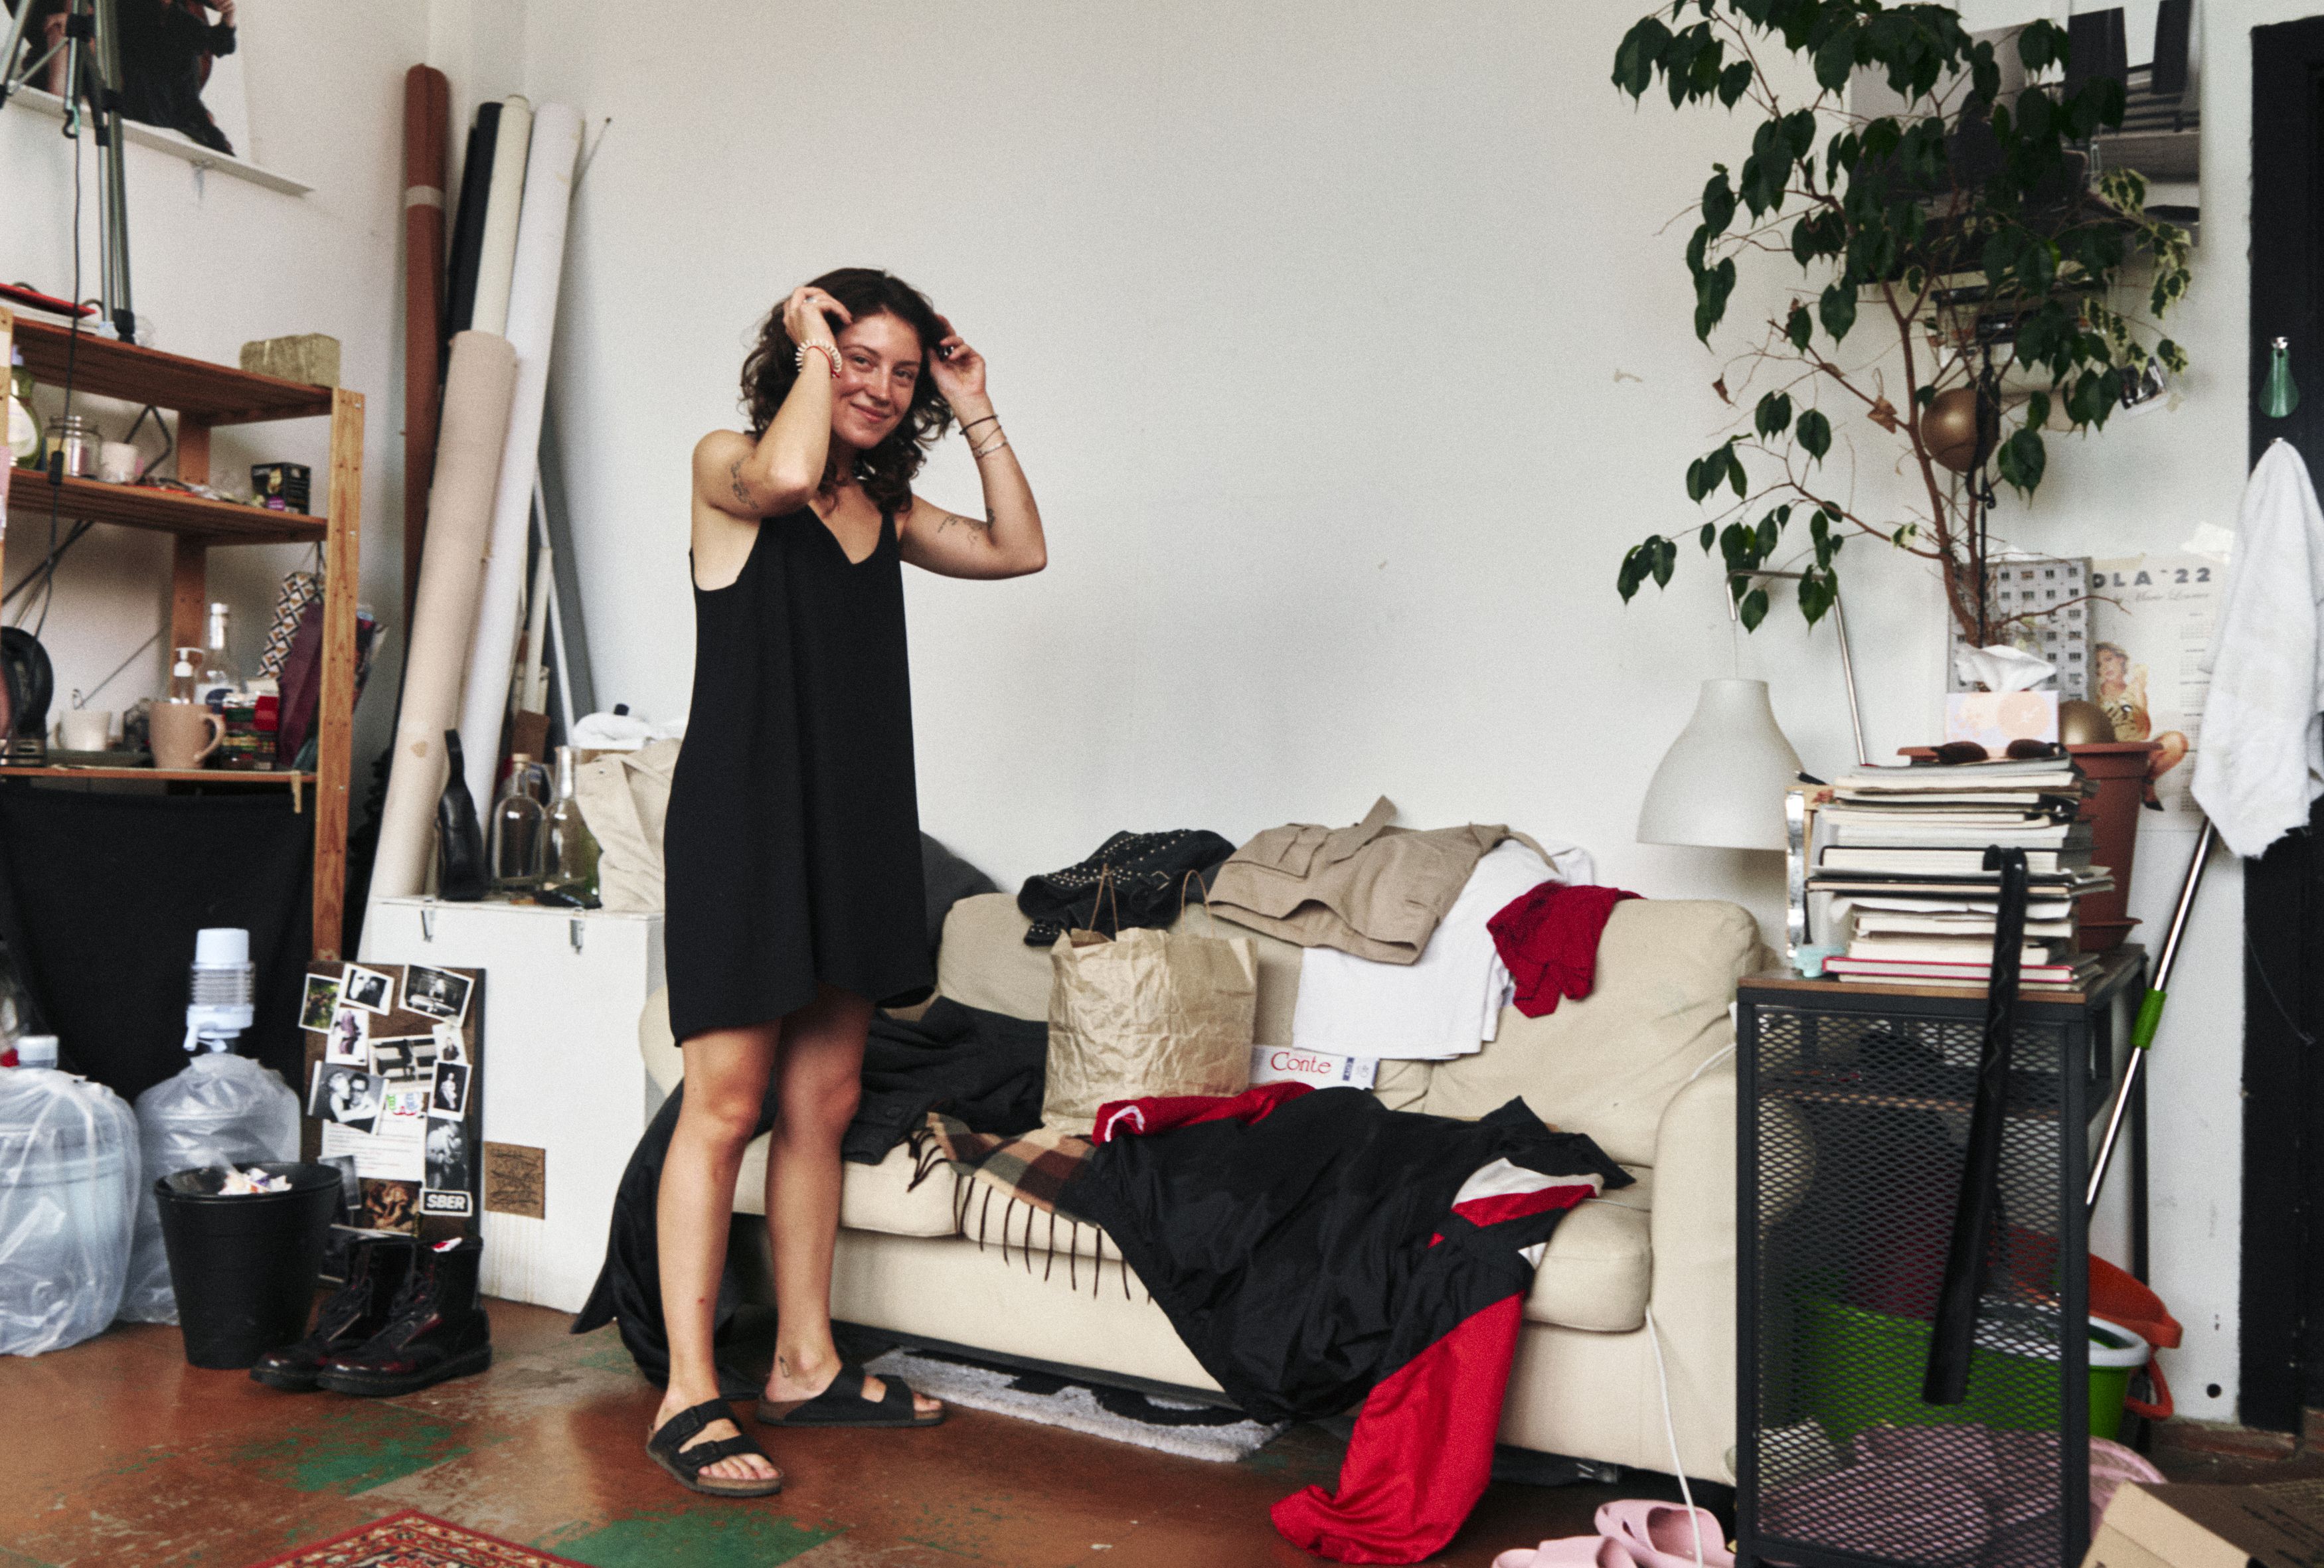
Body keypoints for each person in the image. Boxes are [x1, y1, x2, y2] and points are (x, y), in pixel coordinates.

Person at [647, 269, 1047, 1496]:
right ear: (809, 352)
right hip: (744, 826)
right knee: (725, 1107)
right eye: (857, 356)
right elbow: (782, 476)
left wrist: (974, 403)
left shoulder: (889, 507)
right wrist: (810, 350)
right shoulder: (729, 466)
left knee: (822, 1102)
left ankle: (806, 1362)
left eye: (900, 370)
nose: (880, 385)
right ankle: (687, 1392)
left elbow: (1020, 549)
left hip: (857, 833)